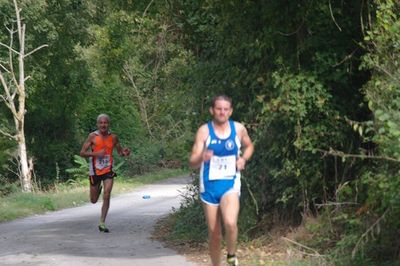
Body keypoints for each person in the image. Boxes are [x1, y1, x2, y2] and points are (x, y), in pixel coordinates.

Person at [189, 95, 254, 266]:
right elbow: (192, 161)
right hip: (209, 187)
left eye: (226, 109)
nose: (222, 112)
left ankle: (231, 256)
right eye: (219, 108)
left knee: (230, 222)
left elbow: (249, 146)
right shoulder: (204, 131)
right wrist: (202, 157)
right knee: (214, 233)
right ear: (212, 110)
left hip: (230, 184)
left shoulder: (238, 129)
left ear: (230, 111)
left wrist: (243, 159)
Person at [80, 114, 130, 233]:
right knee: (93, 200)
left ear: (108, 124)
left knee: (107, 194)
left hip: (108, 170)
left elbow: (119, 152)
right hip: (95, 170)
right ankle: (98, 190)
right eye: (101, 123)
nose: (103, 125)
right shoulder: (92, 136)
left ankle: (102, 222)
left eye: (105, 123)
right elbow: (82, 153)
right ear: (98, 124)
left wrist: (125, 153)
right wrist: (96, 154)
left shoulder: (113, 137)